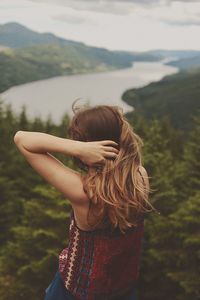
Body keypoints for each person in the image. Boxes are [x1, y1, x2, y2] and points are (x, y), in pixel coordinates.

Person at [14, 101, 155, 300]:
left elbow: (22, 139)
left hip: (76, 292)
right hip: (123, 289)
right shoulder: (140, 177)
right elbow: (124, 159)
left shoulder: (84, 193)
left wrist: (78, 148)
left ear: (89, 147)